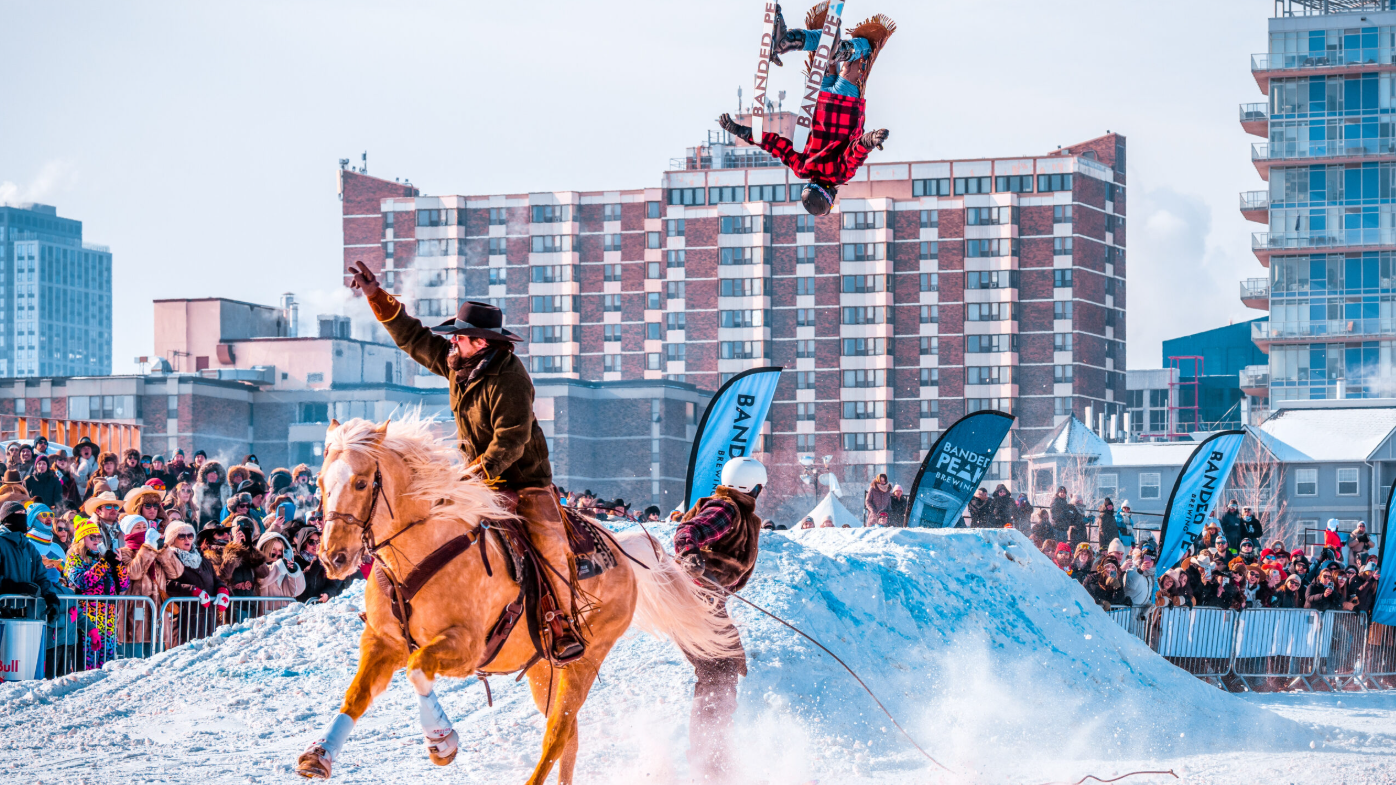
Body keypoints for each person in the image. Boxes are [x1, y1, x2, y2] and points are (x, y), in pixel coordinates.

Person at [351, 262, 585, 663]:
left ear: (480, 342)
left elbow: (511, 440)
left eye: (458, 337)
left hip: (525, 481)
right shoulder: (459, 364)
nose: (451, 342)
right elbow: (414, 338)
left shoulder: (510, 378)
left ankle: (560, 623)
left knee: (549, 544)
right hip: (476, 478)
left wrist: (473, 476)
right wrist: (378, 297)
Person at [719, 4, 894, 216]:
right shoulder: (802, 168)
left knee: (863, 49)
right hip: (817, 98)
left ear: (831, 195)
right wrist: (741, 131)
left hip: (844, 104)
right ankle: (787, 41)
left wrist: (872, 139)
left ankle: (840, 51)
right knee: (825, 50)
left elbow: (855, 152)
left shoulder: (839, 174)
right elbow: (776, 146)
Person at [672, 456, 766, 784]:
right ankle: (711, 761)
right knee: (719, 674)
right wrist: (689, 555)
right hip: (698, 599)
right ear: (754, 486)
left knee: (719, 675)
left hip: (707, 599)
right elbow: (688, 531)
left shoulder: (733, 509)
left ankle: (713, 757)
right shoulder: (726, 508)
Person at [65, 515, 130, 670]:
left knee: (106, 663)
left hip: (108, 617)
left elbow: (124, 584)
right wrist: (103, 564)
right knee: (87, 662)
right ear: (82, 539)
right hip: (87, 617)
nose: (96, 540)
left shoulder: (103, 556)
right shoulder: (74, 557)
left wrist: (118, 565)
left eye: (99, 537)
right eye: (92, 537)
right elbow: (83, 582)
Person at [115, 513, 182, 654]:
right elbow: (134, 573)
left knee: (157, 662)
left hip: (157, 614)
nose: (142, 530)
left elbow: (176, 572)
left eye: (144, 527)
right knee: (134, 659)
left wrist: (163, 549)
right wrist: (148, 547)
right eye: (137, 527)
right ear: (128, 532)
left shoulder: (156, 551)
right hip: (133, 616)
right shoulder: (123, 553)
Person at [164, 521, 229, 644]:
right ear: (172, 539)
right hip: (184, 620)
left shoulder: (202, 558)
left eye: (190, 535)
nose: (187, 539)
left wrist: (222, 590)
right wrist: (192, 591)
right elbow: (166, 584)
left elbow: (216, 580)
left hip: (207, 619)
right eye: (181, 536)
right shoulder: (169, 558)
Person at [0, 501, 60, 625]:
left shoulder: (29, 547)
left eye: (24, 513)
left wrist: (51, 598)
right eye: (19, 513)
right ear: (7, 517)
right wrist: (15, 587)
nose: (23, 517)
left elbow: (41, 577)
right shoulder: (1, 543)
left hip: (28, 614)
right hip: (4, 612)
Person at [253, 531, 304, 610]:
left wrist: (293, 572)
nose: (277, 553)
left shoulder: (283, 569)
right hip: (262, 617)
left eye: (280, 550)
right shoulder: (257, 565)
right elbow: (261, 581)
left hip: (282, 616)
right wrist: (278, 568)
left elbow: (295, 591)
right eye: (273, 549)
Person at [293, 526, 343, 604]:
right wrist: (317, 560)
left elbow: (332, 584)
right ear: (303, 543)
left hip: (318, 608)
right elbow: (302, 581)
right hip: (299, 608)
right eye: (311, 542)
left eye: (318, 541)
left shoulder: (323, 560)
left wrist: (327, 593)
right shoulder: (295, 560)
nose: (315, 545)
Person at [193, 461, 229, 527]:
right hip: (202, 524)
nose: (212, 475)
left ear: (218, 476)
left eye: (215, 473)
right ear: (205, 475)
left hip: (220, 524)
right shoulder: (197, 489)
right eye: (210, 472)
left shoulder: (225, 490)